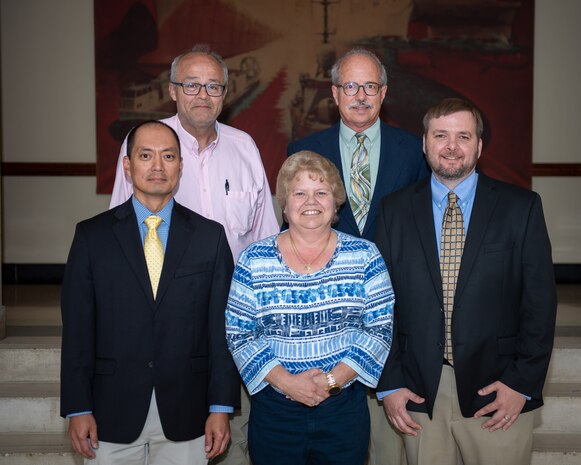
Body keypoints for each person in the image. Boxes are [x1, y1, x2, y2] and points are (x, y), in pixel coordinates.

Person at [109, 45, 280, 464]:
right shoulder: (146, 147)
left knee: (233, 440)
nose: (203, 95)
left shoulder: (245, 148)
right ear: (172, 90)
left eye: (213, 86)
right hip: (165, 326)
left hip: (235, 321)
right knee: (175, 438)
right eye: (192, 85)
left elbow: (265, 241)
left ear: (225, 93)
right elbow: (119, 238)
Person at [375, 98, 557, 465]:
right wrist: (390, 383)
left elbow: (540, 304)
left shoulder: (521, 208)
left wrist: (521, 382)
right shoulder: (393, 210)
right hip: (419, 391)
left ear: (479, 145)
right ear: (424, 143)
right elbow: (379, 304)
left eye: (463, 135)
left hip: (498, 389)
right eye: (440, 135)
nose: (451, 146)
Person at [60, 120, 240, 464]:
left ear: (180, 166)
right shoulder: (91, 237)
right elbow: (78, 331)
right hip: (109, 411)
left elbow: (221, 330)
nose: (158, 166)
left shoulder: (210, 238)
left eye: (168, 156)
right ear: (128, 166)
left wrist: (220, 406)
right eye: (146, 155)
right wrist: (77, 407)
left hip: (189, 410)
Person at [288, 47, 429, 465]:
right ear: (334, 93)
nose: (361, 95)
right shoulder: (304, 148)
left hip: (396, 313)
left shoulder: (413, 150)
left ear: (383, 93)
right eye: (351, 85)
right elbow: (292, 226)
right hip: (325, 320)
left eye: (370, 86)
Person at [225, 151, 394, 465]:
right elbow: (240, 334)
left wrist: (330, 382)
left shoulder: (365, 256)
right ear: (285, 205)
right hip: (275, 412)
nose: (310, 201)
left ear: (335, 201)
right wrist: (289, 383)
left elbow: (379, 330)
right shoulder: (254, 259)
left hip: (342, 410)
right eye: (299, 193)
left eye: (321, 192)